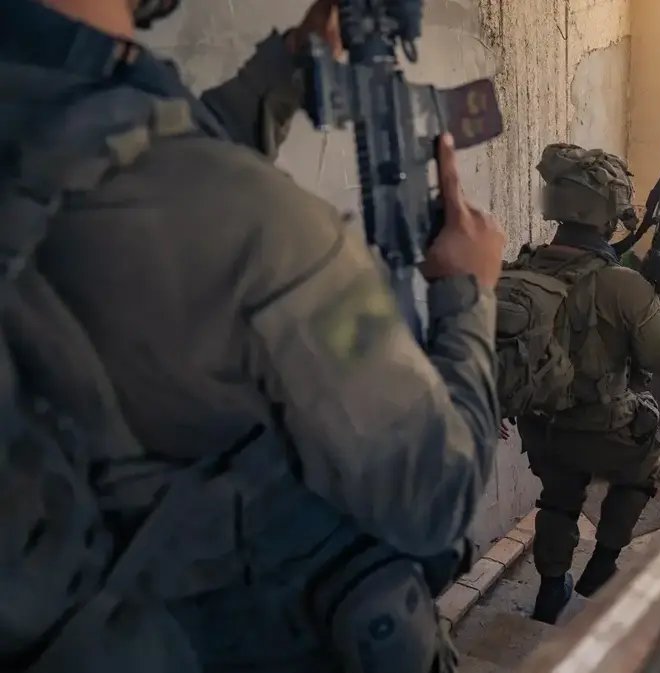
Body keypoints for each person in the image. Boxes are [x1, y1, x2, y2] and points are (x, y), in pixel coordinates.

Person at [0, 1, 504, 671]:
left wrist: (286, 68)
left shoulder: (41, 133)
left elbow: (150, 172)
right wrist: (467, 292)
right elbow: (436, 495)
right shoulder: (267, 231)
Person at [508, 144, 660, 624]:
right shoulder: (621, 284)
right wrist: (659, 294)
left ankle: (550, 591)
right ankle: (602, 565)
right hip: (603, 429)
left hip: (541, 428)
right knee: (641, 467)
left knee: (558, 500)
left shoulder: (521, 268)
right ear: (609, 212)